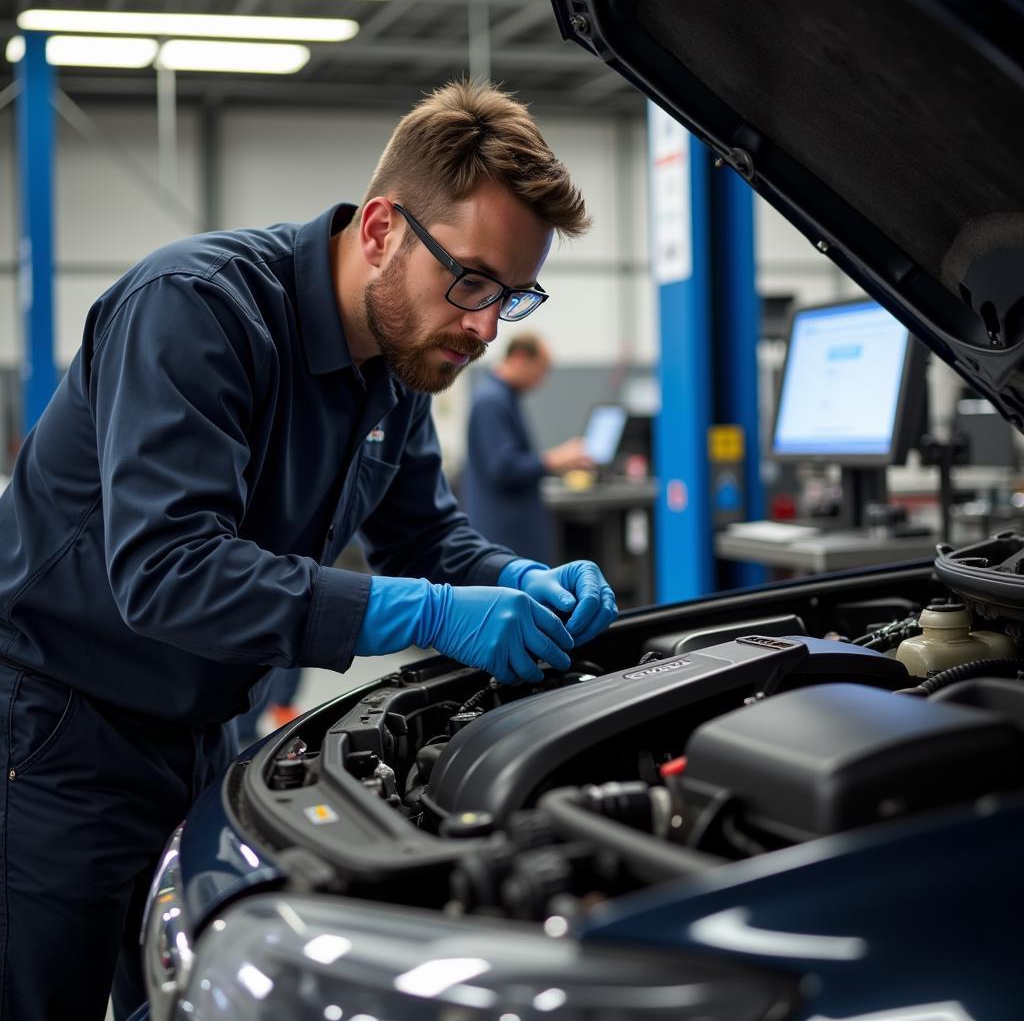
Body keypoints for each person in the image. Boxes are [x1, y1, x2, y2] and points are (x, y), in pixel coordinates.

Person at [0, 80, 618, 1021]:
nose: (487, 328)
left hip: (208, 727)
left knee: (172, 999)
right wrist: (432, 613)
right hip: (57, 728)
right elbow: (167, 571)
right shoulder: (196, 311)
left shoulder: (402, 362)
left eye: (513, 296)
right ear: (380, 231)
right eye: (471, 283)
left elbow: (427, 536)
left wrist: (518, 579)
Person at [463, 333, 593, 562]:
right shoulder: (492, 401)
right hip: (505, 537)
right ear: (520, 357)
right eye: (541, 369)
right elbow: (502, 468)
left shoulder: (503, 397)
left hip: (511, 533)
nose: (541, 379)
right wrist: (554, 459)